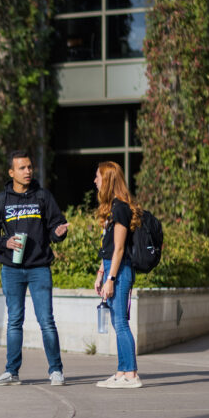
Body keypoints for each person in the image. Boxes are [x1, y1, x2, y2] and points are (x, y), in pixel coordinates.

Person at [0, 150, 69, 386]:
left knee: (46, 320)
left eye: (30, 167)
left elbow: (56, 226)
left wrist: (60, 232)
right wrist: (5, 242)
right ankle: (12, 372)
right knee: (14, 321)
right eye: (22, 168)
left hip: (39, 267)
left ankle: (56, 370)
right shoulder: (1, 201)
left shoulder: (43, 197)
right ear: (11, 172)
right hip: (11, 269)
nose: (28, 171)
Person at [93, 161, 143, 389]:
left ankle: (131, 375)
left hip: (120, 272)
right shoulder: (112, 208)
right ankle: (122, 371)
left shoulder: (120, 208)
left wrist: (111, 279)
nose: (95, 181)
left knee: (121, 323)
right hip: (112, 268)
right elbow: (109, 248)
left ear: (108, 180)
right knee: (117, 321)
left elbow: (120, 248)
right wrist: (101, 273)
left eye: (98, 177)